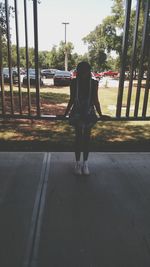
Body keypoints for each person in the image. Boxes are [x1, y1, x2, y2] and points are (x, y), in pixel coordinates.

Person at [64, 61, 102, 176]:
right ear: (79, 71)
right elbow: (71, 99)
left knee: (86, 139)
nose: (84, 73)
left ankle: (85, 163)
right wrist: (65, 113)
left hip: (89, 113)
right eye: (81, 71)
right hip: (77, 113)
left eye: (85, 71)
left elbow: (95, 99)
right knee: (78, 138)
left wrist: (100, 113)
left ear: (88, 71)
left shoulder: (94, 83)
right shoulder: (74, 82)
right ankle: (77, 163)